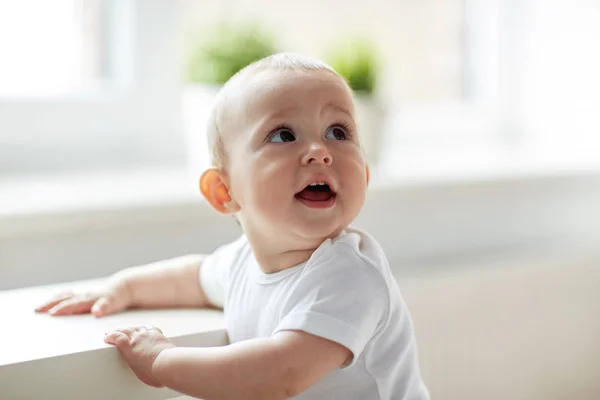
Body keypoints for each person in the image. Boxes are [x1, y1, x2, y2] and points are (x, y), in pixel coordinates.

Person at [35, 53, 430, 400]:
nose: (319, 151)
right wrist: (122, 288)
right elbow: (191, 278)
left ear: (364, 173)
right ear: (224, 191)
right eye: (284, 135)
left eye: (338, 132)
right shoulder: (244, 261)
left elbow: (280, 374)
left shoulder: (350, 275)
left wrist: (162, 361)